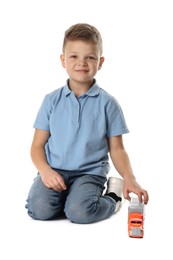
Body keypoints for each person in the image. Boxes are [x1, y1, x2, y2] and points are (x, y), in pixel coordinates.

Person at [25, 23, 149, 224]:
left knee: (80, 213)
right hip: (54, 171)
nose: (81, 62)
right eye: (74, 56)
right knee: (38, 210)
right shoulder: (50, 101)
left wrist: (129, 178)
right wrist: (46, 171)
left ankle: (112, 198)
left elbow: (117, 149)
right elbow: (37, 146)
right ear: (63, 60)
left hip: (89, 174)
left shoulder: (108, 104)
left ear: (100, 62)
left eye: (90, 57)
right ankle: (70, 198)